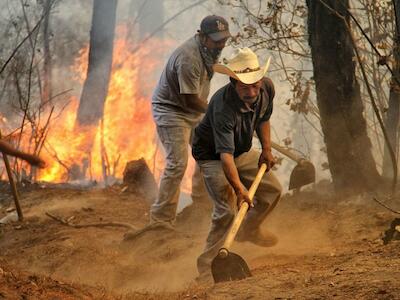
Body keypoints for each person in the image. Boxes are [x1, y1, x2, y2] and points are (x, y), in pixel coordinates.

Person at [192, 48, 282, 279]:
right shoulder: (222, 106)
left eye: (255, 85)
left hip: (240, 150)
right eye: (244, 87)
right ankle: (206, 269)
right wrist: (240, 190)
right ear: (233, 83)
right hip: (213, 155)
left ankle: (249, 230)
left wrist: (267, 150)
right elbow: (225, 157)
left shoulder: (267, 88)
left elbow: (263, 119)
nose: (251, 92)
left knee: (273, 190)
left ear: (261, 80)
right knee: (226, 210)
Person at [149, 16, 231, 228]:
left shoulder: (210, 51)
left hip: (194, 108)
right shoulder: (188, 58)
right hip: (172, 111)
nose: (221, 44)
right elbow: (188, 100)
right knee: (178, 163)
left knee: (209, 150)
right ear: (202, 36)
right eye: (216, 40)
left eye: (224, 39)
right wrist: (216, 111)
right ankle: (161, 219)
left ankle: (201, 203)